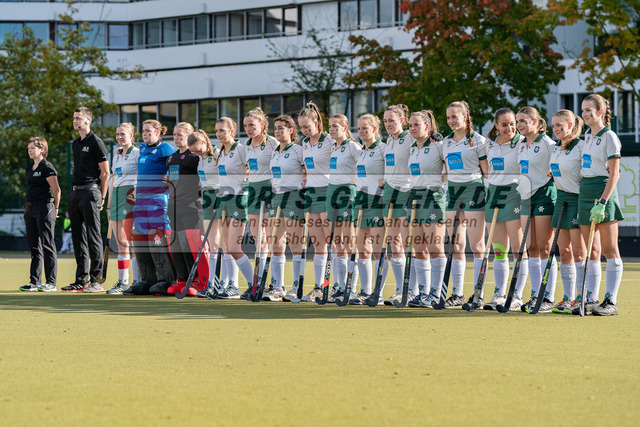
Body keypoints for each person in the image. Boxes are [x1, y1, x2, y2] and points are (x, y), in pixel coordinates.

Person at [574, 94, 624, 316]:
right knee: (591, 250)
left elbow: (615, 174)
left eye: (589, 110)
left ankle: (610, 301)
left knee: (609, 249)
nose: (584, 114)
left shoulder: (609, 137)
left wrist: (603, 202)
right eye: (583, 110)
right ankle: (591, 299)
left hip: (602, 193)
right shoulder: (586, 136)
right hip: (585, 192)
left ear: (600, 112)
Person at [442, 101, 488, 308]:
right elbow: (445, 172)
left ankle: (479, 293)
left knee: (477, 245)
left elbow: (487, 172)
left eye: (455, 116)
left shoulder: (478, 141)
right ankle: (457, 294)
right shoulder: (445, 142)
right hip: (452, 192)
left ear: (465, 116)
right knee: (456, 245)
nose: (451, 121)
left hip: (474, 190)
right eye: (448, 117)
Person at [482, 108, 528, 310]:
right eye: (504, 124)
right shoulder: (488, 144)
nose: (510, 128)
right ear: (496, 126)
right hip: (493, 194)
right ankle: (499, 294)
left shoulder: (522, 142)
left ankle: (516, 295)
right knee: (499, 249)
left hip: (513, 193)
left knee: (518, 248)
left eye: (512, 123)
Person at [62, 107, 110, 292]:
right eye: (74, 118)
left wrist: (102, 196)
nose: (75, 121)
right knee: (78, 238)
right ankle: (80, 280)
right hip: (75, 193)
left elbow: (105, 173)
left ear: (88, 120)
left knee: (93, 236)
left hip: (91, 192)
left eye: (78, 118)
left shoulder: (96, 142)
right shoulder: (75, 143)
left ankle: (96, 281)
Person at [516, 106, 558, 312]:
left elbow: (558, 166)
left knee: (544, 246)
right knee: (531, 247)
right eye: (517, 121)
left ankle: (547, 296)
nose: (519, 125)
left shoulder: (548, 143)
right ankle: (535, 294)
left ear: (535, 122)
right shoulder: (520, 144)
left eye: (523, 121)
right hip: (525, 197)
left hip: (544, 194)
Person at [127, 119, 176, 295]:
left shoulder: (166, 149)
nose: (145, 134)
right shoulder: (142, 148)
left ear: (157, 132)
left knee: (157, 237)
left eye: (148, 131)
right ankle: (148, 280)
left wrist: (170, 178)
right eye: (143, 131)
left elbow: (178, 163)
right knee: (140, 238)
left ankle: (166, 279)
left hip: (157, 199)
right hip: (141, 200)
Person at [405, 110, 448, 308]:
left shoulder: (439, 146)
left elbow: (450, 169)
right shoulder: (412, 148)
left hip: (433, 196)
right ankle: (423, 293)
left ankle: (436, 294)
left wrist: (439, 183)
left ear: (427, 126)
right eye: (410, 125)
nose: (412, 128)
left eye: (417, 125)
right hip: (414, 196)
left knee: (435, 247)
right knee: (419, 248)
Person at [162, 122, 206, 295]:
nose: (176, 137)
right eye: (174, 134)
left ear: (189, 135)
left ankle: (198, 280)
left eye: (180, 134)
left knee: (191, 245)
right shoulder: (171, 158)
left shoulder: (195, 157)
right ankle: (182, 279)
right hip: (173, 205)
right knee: (177, 244)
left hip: (191, 206)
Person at [549, 109, 587, 313]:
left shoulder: (581, 146)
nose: (555, 129)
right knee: (564, 252)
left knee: (579, 252)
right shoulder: (556, 147)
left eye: (559, 125)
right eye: (553, 125)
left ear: (571, 125)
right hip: (560, 199)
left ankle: (582, 297)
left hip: (577, 200)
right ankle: (567, 297)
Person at [298, 101, 335, 302]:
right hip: (311, 194)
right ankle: (319, 286)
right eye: (301, 127)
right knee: (318, 243)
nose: (304, 131)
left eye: (307, 126)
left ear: (317, 123)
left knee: (332, 242)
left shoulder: (329, 140)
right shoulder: (304, 143)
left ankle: (336, 285)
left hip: (328, 192)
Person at [215, 117, 256, 298]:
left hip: (239, 200)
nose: (219, 134)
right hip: (223, 199)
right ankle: (232, 285)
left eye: (222, 131)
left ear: (232, 131)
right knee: (226, 247)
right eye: (217, 131)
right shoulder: (220, 152)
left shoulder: (241, 149)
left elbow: (253, 168)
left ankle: (253, 284)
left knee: (234, 247)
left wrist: (247, 181)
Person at [268, 114, 306, 301]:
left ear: (291, 130)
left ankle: (297, 286)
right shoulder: (275, 151)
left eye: (281, 128)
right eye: (275, 128)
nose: (277, 131)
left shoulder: (299, 150)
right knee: (275, 242)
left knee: (295, 242)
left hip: (293, 196)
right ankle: (278, 286)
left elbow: (309, 170)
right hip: (277, 196)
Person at [350, 114, 387, 305]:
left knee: (378, 250)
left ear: (374, 129)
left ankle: (378, 293)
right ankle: (365, 291)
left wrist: (386, 180)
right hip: (360, 200)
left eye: (365, 128)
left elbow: (394, 170)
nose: (362, 132)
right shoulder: (361, 151)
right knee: (362, 250)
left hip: (377, 200)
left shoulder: (383, 149)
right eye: (359, 129)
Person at [381, 104, 416, 305]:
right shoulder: (389, 140)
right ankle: (400, 289)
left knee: (407, 242)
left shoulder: (410, 138)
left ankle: (412, 289)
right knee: (394, 243)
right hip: (389, 191)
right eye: (385, 121)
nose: (388, 124)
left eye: (392, 121)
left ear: (402, 120)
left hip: (406, 190)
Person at [326, 114, 362, 302]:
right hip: (332, 191)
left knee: (349, 242)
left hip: (348, 192)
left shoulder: (353, 147)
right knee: (337, 242)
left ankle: (351, 288)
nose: (332, 129)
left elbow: (365, 168)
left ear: (345, 127)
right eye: (330, 126)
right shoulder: (333, 146)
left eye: (335, 126)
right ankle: (340, 287)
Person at [244, 107, 278, 293]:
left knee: (271, 236)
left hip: (269, 187)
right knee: (258, 238)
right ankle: (259, 283)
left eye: (252, 125)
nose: (248, 129)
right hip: (253, 189)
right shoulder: (246, 145)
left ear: (262, 125)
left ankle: (275, 282)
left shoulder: (272, 142)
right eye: (246, 126)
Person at [20, 137, 61, 292]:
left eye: (33, 148)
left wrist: (55, 208)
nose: (29, 151)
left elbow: (56, 190)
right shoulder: (30, 168)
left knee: (47, 245)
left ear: (42, 149)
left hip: (45, 208)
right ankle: (34, 282)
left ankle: (51, 283)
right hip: (30, 210)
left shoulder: (47, 167)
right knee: (34, 246)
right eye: (28, 148)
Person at [106, 123, 140, 295]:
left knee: (131, 241)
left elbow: (141, 177)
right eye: (118, 134)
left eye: (123, 134)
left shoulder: (137, 153)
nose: (120, 137)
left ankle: (138, 281)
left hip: (129, 196)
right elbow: (113, 180)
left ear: (131, 135)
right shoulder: (117, 155)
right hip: (117, 197)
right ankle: (123, 282)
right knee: (120, 242)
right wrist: (108, 205)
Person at [188, 129, 222, 298]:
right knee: (211, 242)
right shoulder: (200, 158)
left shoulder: (217, 154)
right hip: (207, 196)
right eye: (193, 152)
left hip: (220, 195)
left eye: (197, 150)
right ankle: (211, 283)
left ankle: (224, 283)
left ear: (204, 142)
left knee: (223, 242)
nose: (196, 154)